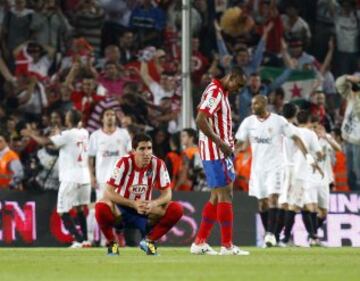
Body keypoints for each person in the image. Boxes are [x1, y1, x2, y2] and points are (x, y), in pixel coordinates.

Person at [235, 96, 319, 247]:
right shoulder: (248, 122)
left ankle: (270, 234)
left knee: (273, 198)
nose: (253, 106)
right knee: (262, 203)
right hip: (257, 169)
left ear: (265, 104)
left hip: (276, 167)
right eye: (252, 104)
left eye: (256, 103)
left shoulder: (278, 121)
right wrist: (229, 154)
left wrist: (309, 157)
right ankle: (270, 233)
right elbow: (239, 144)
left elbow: (296, 138)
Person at [190, 67, 249, 256]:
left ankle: (200, 242)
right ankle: (227, 245)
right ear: (231, 76)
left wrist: (229, 140)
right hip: (215, 151)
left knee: (216, 197)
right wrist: (221, 142)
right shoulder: (215, 91)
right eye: (237, 85)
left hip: (219, 150)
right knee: (225, 196)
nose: (237, 90)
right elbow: (200, 119)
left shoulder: (221, 91)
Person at [94, 133, 183, 256]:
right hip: (122, 208)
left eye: (149, 148)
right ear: (134, 150)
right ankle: (112, 244)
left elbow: (167, 193)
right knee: (101, 206)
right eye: (142, 149)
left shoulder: (158, 164)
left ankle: (149, 241)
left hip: (144, 209)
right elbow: (108, 191)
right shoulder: (124, 163)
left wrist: (153, 203)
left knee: (176, 209)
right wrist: (132, 203)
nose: (146, 153)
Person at [21, 109, 91, 248]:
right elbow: (68, 135)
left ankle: (78, 240)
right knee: (79, 209)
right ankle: (86, 239)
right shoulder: (84, 132)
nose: (65, 117)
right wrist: (60, 132)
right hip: (84, 176)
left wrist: (31, 134)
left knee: (61, 210)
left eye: (66, 116)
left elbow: (45, 142)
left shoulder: (66, 135)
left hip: (70, 177)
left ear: (69, 119)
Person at [88, 108, 132, 201]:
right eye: (107, 115)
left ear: (115, 118)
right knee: (103, 208)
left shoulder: (124, 133)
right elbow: (90, 158)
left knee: (120, 209)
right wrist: (91, 176)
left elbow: (131, 154)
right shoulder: (95, 136)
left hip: (121, 179)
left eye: (112, 115)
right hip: (102, 179)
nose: (110, 117)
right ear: (102, 119)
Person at [335, 74, 360, 191]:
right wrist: (347, 78)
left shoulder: (354, 96)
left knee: (358, 172)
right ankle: (352, 197)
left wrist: (356, 97)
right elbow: (339, 84)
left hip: (358, 143)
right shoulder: (352, 94)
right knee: (349, 172)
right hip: (348, 139)